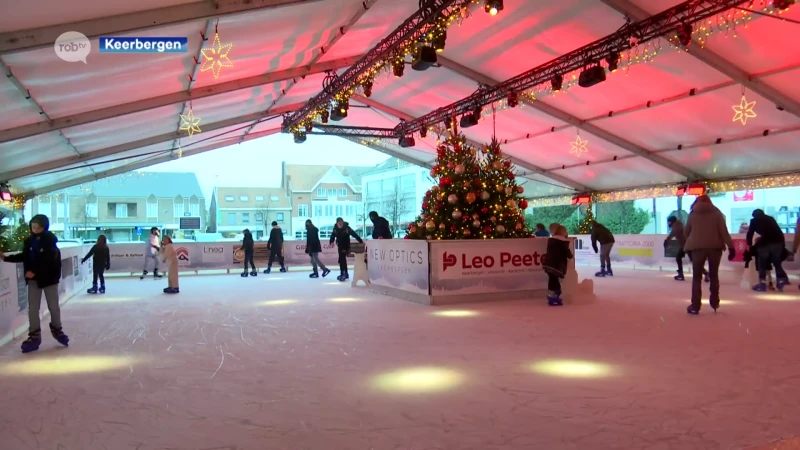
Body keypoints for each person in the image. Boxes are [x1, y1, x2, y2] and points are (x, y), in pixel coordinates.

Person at [0, 214, 69, 353]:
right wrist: (6, 258)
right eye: (33, 226)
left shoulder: (50, 242)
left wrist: (35, 272)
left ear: (44, 227)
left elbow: (49, 262)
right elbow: (24, 256)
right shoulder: (29, 241)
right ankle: (34, 335)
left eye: (37, 227)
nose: (34, 229)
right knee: (33, 309)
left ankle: (57, 330)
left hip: (49, 279)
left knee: (53, 307)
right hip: (33, 281)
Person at [683, 195, 735, 314]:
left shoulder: (692, 214)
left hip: (697, 248)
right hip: (715, 247)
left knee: (696, 277)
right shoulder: (717, 213)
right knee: (713, 275)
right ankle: (714, 302)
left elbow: (686, 232)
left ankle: (695, 306)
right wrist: (731, 247)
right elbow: (723, 231)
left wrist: (694, 239)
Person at [746, 209, 789, 291]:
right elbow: (778, 231)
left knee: (762, 262)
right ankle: (780, 280)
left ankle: (762, 283)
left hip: (765, 244)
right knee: (777, 262)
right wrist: (782, 244)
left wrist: (750, 245)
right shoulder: (770, 218)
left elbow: (750, 233)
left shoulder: (754, 220)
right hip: (777, 242)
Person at [543, 225, 572, 306]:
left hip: (548, 263)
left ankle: (551, 294)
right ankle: (554, 295)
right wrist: (571, 256)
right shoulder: (563, 242)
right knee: (555, 281)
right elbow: (567, 253)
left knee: (552, 279)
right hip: (556, 265)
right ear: (563, 232)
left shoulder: (551, 240)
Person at [329, 217, 363, 282]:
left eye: (341, 222)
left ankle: (343, 273)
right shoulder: (335, 229)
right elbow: (332, 235)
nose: (340, 223)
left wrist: (360, 241)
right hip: (340, 246)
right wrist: (331, 241)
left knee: (342, 260)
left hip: (345, 245)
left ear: (343, 222)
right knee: (342, 260)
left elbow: (354, 234)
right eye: (339, 222)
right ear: (337, 223)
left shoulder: (347, 228)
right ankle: (345, 273)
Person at [664, 216, 688, 280]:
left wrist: (667, 240)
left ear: (672, 221)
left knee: (679, 258)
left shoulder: (676, 226)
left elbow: (673, 233)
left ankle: (681, 274)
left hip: (685, 245)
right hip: (684, 245)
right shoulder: (678, 225)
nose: (668, 223)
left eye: (669, 222)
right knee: (679, 258)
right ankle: (680, 274)